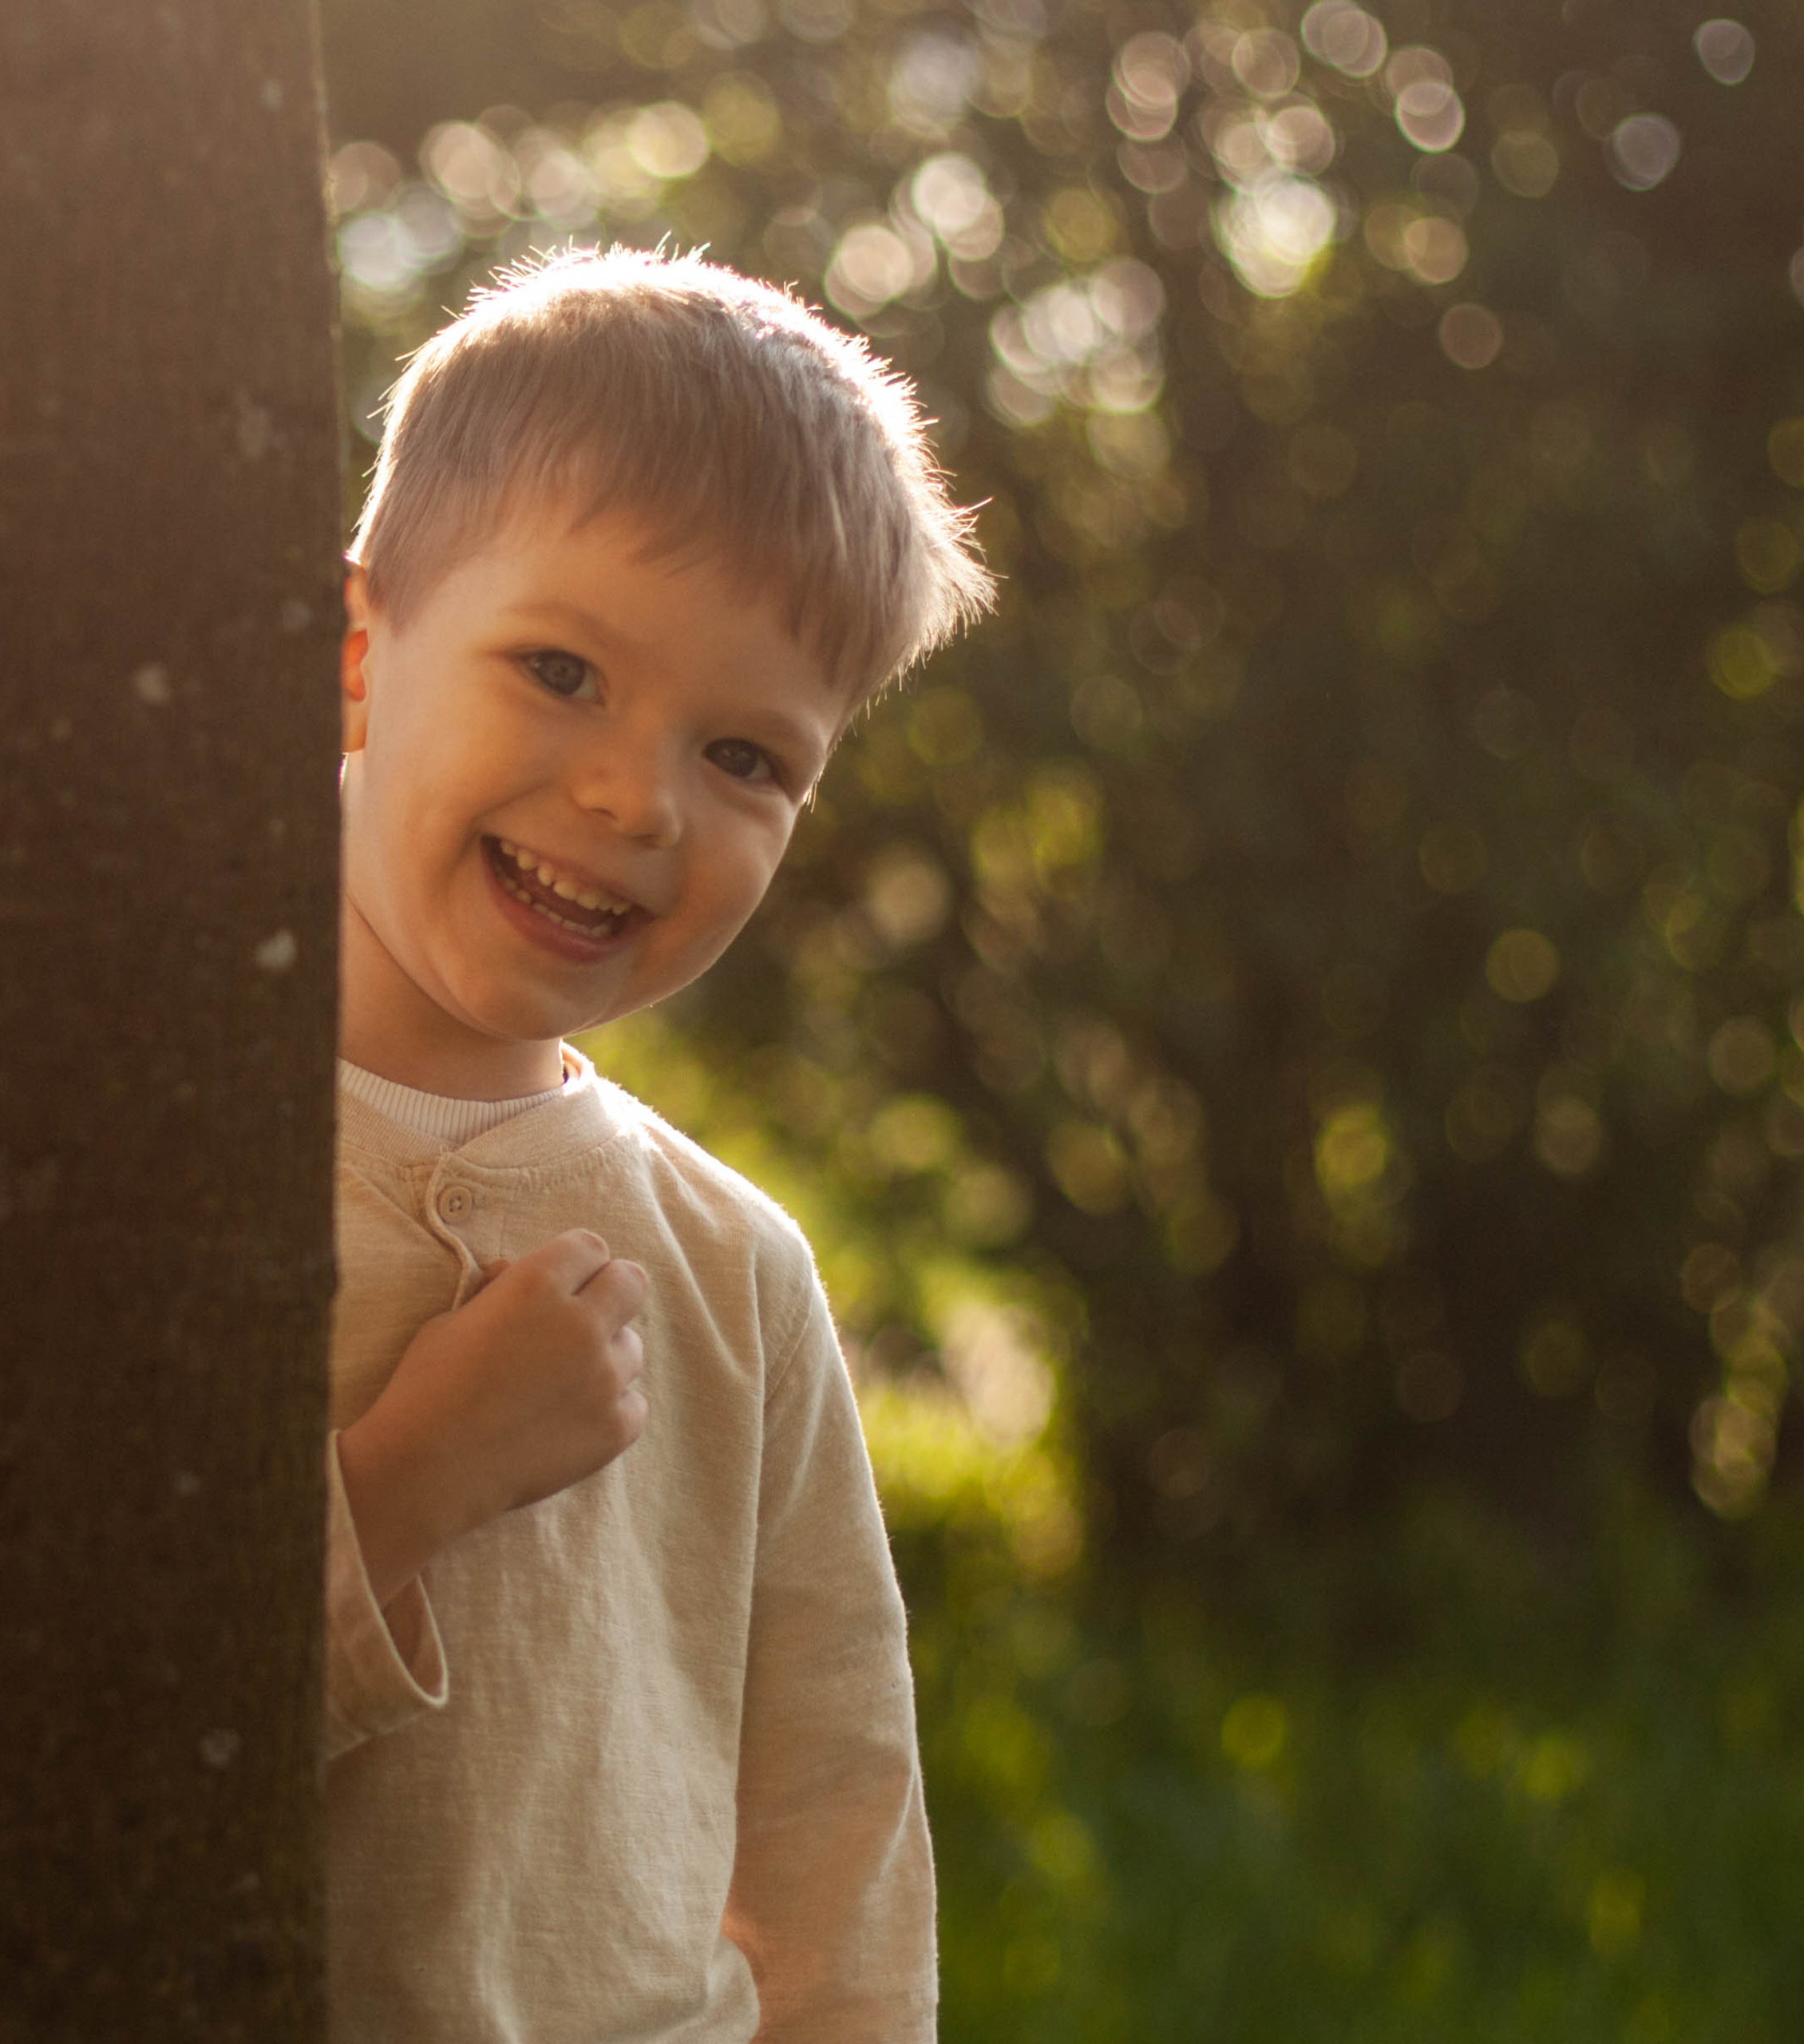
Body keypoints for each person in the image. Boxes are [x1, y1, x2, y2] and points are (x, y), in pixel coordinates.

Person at [320, 246, 991, 2043]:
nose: (638, 798)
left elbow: (839, 1855)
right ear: (359, 649)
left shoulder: (734, 1272)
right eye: (560, 668)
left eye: (748, 756)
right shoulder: (126, 1160)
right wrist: (404, 1482)